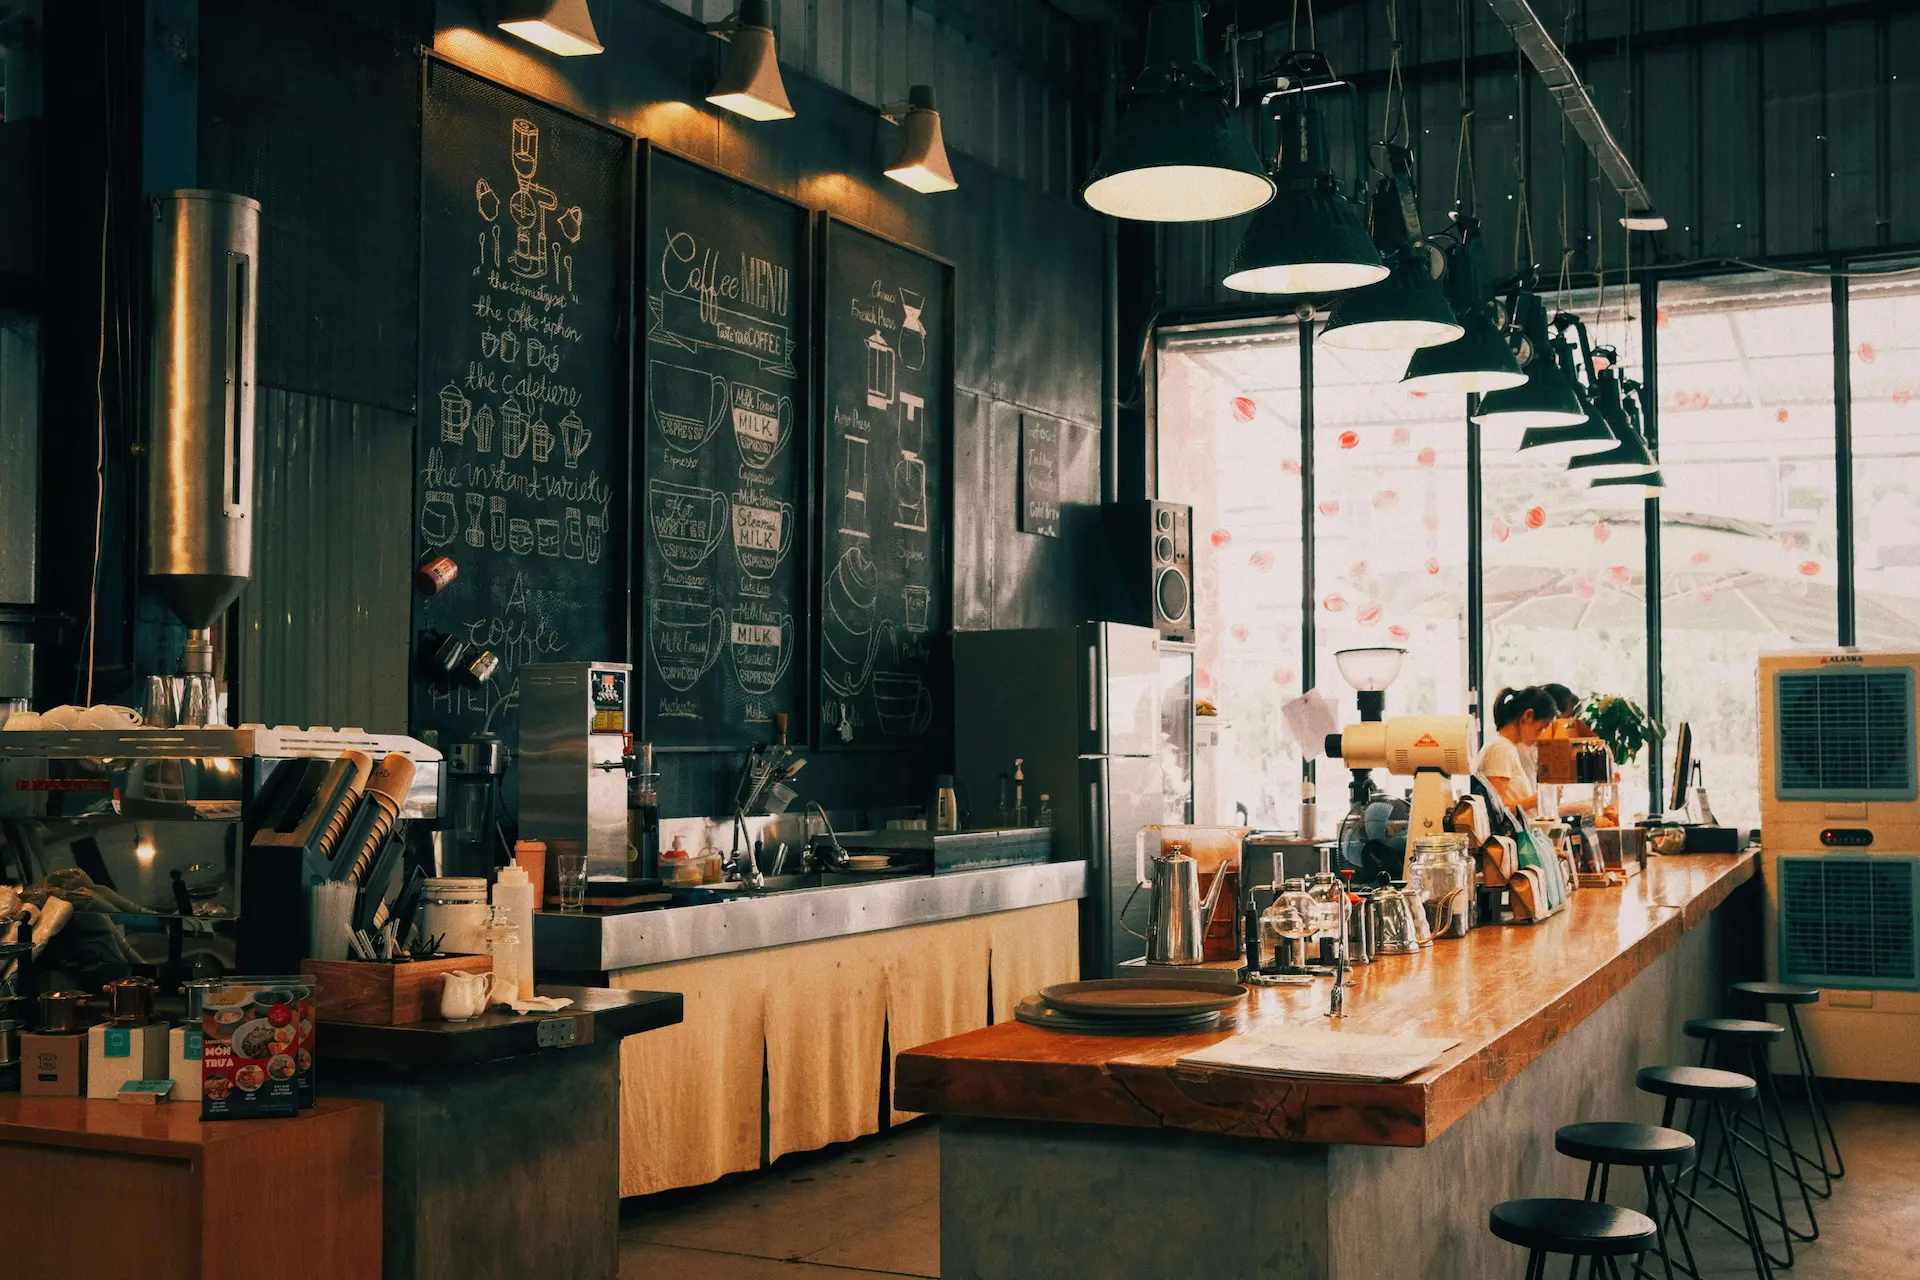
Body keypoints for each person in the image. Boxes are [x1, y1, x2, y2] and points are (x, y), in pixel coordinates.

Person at [1477, 686, 1558, 816]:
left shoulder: (1507, 747)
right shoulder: (1500, 748)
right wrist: (1537, 799)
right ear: (1528, 716)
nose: (1541, 736)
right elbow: (1495, 809)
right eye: (1541, 728)